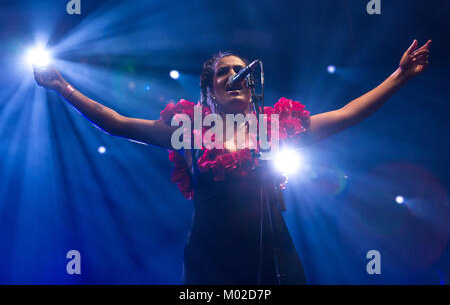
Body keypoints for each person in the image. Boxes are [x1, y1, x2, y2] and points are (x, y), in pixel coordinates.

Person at [33, 39, 431, 284]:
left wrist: (399, 77)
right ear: (208, 92)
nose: (236, 76)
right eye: (224, 73)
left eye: (241, 71)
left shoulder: (276, 126)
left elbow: (345, 115)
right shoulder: (188, 130)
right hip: (211, 260)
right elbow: (117, 123)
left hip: (273, 255)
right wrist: (61, 85)